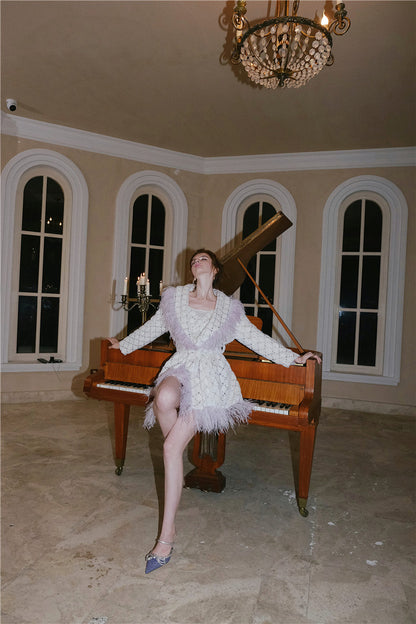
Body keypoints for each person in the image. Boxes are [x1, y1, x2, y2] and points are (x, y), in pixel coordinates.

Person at [108, 249, 321, 574]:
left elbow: (257, 339)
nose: (197, 261)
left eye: (203, 258)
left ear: (216, 269)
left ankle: (166, 536)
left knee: (170, 448)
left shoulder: (229, 309)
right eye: (193, 259)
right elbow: (151, 328)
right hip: (180, 364)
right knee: (164, 398)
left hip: (210, 377)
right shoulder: (175, 299)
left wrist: (294, 358)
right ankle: (176, 453)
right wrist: (122, 346)